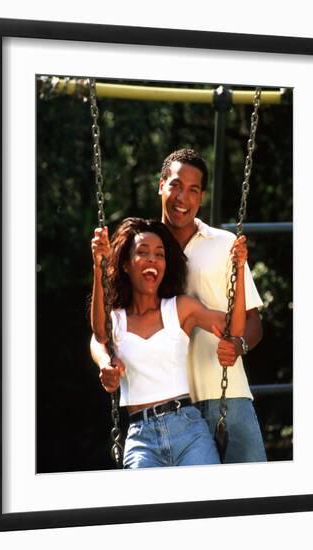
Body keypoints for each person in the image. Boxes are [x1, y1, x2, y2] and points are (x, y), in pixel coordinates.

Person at [92, 148, 266, 464]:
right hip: (164, 402)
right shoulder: (145, 249)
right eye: (174, 185)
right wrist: (105, 361)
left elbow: (252, 322)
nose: (182, 197)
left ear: (201, 197)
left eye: (193, 189)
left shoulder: (225, 244)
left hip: (223, 391)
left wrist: (238, 345)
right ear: (161, 185)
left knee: (253, 497)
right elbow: (107, 327)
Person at [91, 217, 248, 468]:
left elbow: (235, 329)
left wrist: (238, 269)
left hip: (189, 430)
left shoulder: (180, 308)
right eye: (142, 252)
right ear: (125, 265)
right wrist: (99, 267)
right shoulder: (116, 320)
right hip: (141, 438)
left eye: (159, 254)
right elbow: (98, 335)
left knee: (205, 505)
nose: (152, 259)